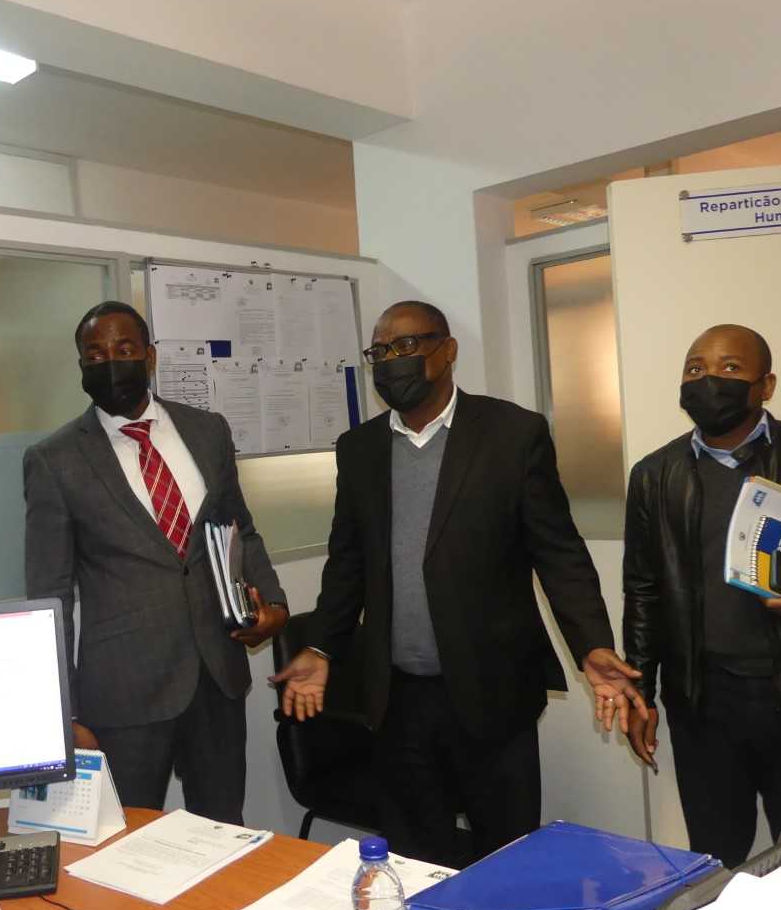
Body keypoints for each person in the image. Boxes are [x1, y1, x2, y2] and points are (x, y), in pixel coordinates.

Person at [272, 300, 645, 868]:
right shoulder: (360, 448)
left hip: (491, 690)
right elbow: (348, 565)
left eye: (406, 346)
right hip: (396, 699)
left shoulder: (512, 434)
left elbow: (558, 553)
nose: (391, 361)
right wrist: (322, 647)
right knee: (415, 859)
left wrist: (591, 644)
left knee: (505, 858)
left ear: (447, 351)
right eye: (379, 351)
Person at [23, 301, 288, 824]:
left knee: (222, 830)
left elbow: (241, 529)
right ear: (81, 366)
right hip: (123, 691)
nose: (110, 362)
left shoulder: (207, 431)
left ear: (150, 357)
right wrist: (63, 708)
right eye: (95, 354)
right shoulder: (55, 460)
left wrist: (274, 605)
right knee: (124, 841)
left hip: (216, 676)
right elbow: (49, 593)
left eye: (123, 349)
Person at [623, 324, 781, 868]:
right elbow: (642, 590)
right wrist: (640, 693)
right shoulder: (654, 475)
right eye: (695, 368)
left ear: (766, 385)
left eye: (731, 368)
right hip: (704, 705)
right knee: (714, 858)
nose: (709, 379)